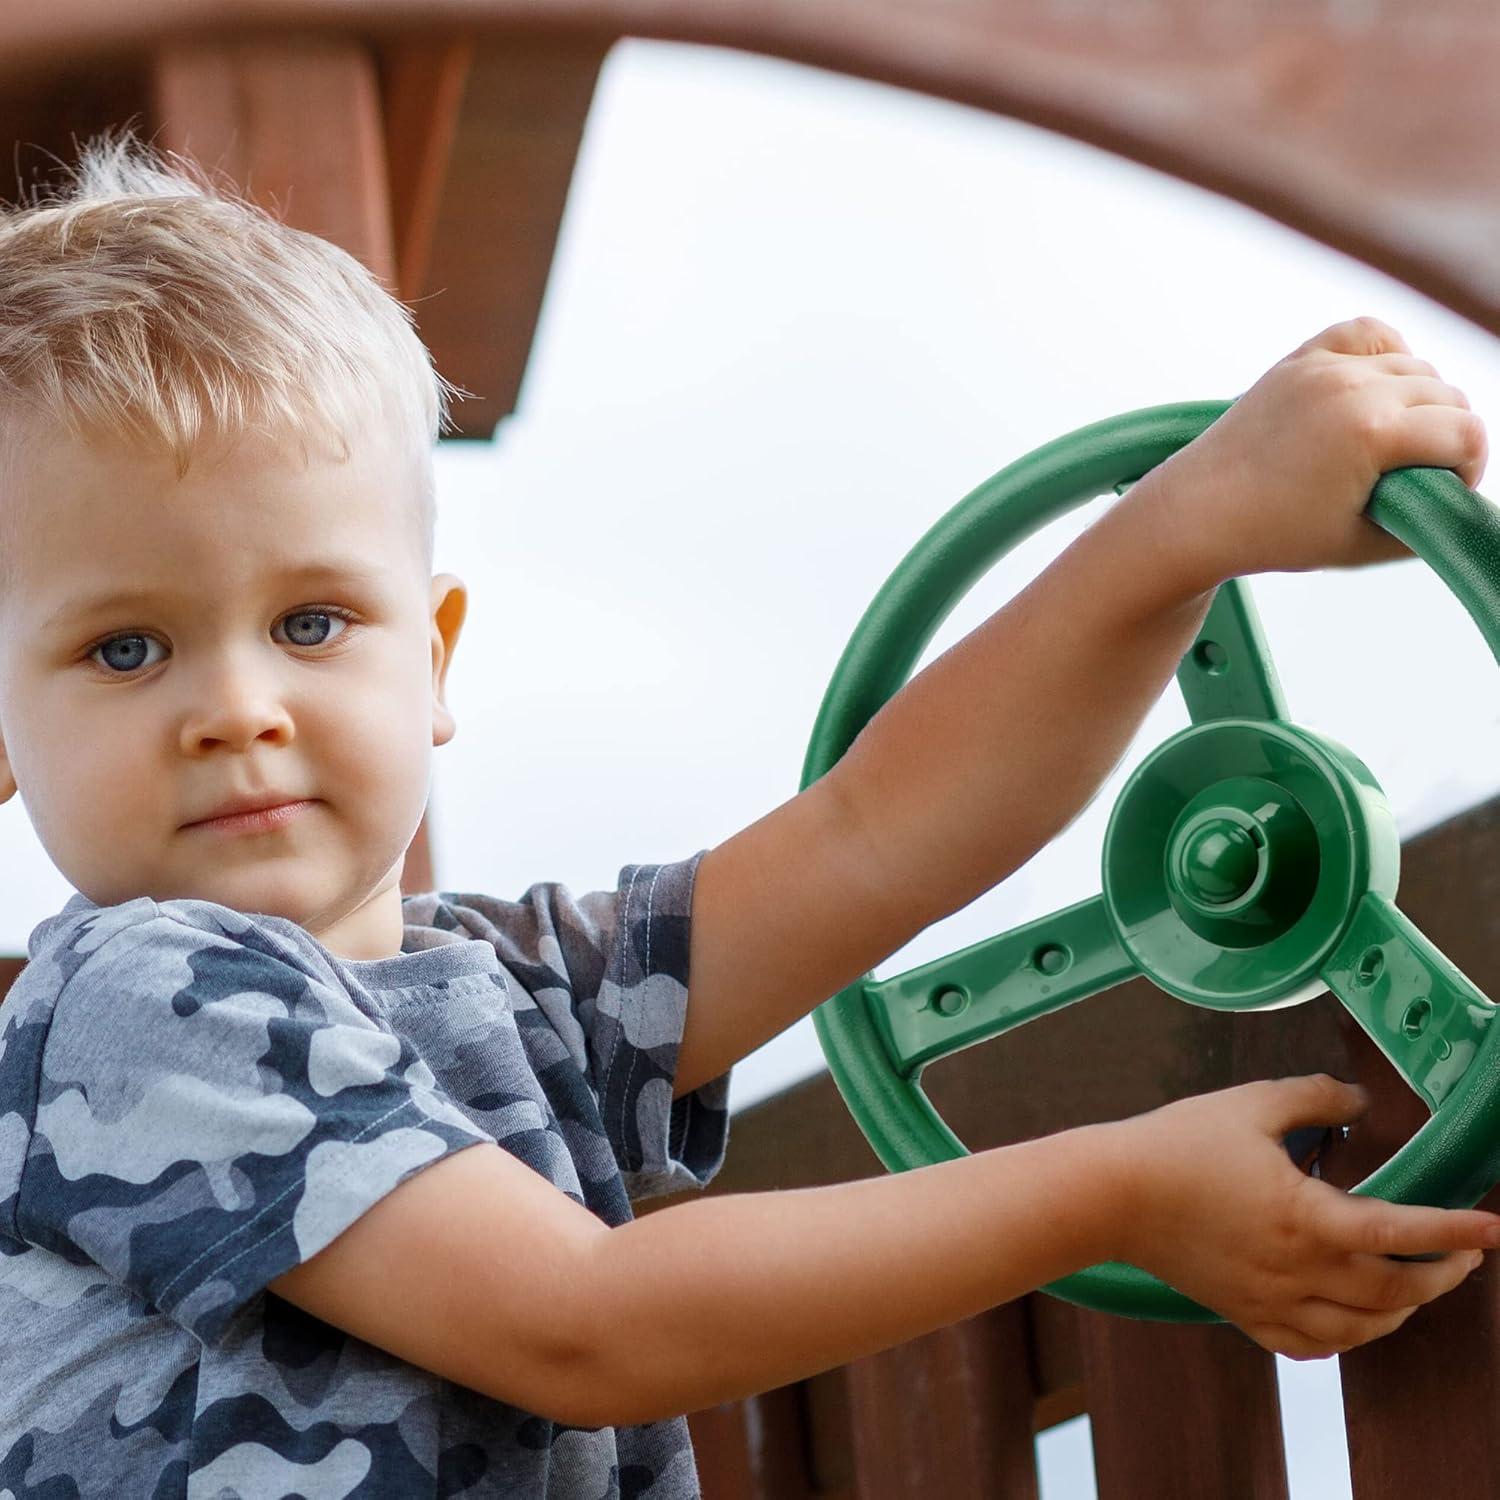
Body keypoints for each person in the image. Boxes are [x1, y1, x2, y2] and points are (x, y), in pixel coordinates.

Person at [0, 127, 1495, 1499]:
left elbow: (873, 837)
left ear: (434, 659)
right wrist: (1109, 1192)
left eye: (315, 623)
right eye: (126, 649)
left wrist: (1178, 529)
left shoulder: (511, 993)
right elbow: (578, 1324)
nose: (239, 707)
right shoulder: (136, 1004)